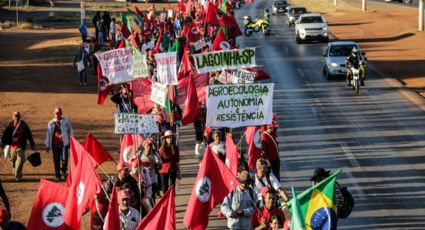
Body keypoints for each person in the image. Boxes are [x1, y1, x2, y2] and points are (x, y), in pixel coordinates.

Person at [1, 112, 35, 181]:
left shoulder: (23, 125)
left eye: (17, 116)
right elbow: (5, 134)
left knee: (20, 159)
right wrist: (2, 142)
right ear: (13, 117)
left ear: (20, 117)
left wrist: (32, 143)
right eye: (15, 116)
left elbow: (29, 134)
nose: (16, 117)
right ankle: (15, 169)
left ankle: (18, 175)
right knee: (12, 161)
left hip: (20, 146)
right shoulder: (10, 125)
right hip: (12, 146)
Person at [45, 107, 73, 182]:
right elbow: (48, 134)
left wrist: (71, 141)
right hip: (55, 145)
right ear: (54, 114)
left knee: (64, 159)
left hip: (64, 143)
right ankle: (57, 175)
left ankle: (64, 170)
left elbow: (70, 131)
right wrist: (47, 145)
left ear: (61, 113)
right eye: (56, 113)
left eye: (59, 113)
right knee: (56, 160)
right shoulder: (51, 123)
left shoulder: (66, 121)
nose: (57, 115)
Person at [158, 130, 180, 194]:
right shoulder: (161, 149)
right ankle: (165, 203)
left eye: (171, 137)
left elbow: (177, 160)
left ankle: (172, 202)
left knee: (172, 187)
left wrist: (179, 171)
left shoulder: (175, 148)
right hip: (163, 170)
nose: (169, 139)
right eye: (168, 137)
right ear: (165, 139)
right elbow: (159, 160)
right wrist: (159, 160)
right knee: (164, 188)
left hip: (173, 169)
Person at [261, 116, 280, 181]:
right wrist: (267, 161)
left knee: (277, 176)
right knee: (270, 177)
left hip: (276, 158)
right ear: (269, 127)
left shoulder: (274, 133)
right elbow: (263, 150)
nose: (276, 128)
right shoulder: (264, 136)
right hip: (269, 161)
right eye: (274, 127)